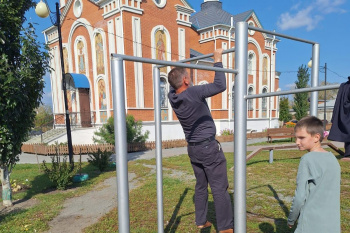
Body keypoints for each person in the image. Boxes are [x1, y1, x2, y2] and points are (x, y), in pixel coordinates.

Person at [167, 48, 234, 233]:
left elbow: (174, 84)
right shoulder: (193, 93)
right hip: (208, 147)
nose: (191, 78)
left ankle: (201, 220)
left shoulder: (173, 97)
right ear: (186, 81)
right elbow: (220, 85)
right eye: (188, 76)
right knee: (219, 188)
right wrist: (218, 59)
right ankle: (226, 228)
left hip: (193, 149)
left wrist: (176, 71)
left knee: (201, 185)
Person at [287, 116, 340, 233]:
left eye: (301, 138)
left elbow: (300, 196)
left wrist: (291, 219)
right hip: (332, 223)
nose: (297, 142)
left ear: (316, 137)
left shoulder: (307, 160)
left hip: (310, 222)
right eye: (296, 138)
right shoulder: (333, 158)